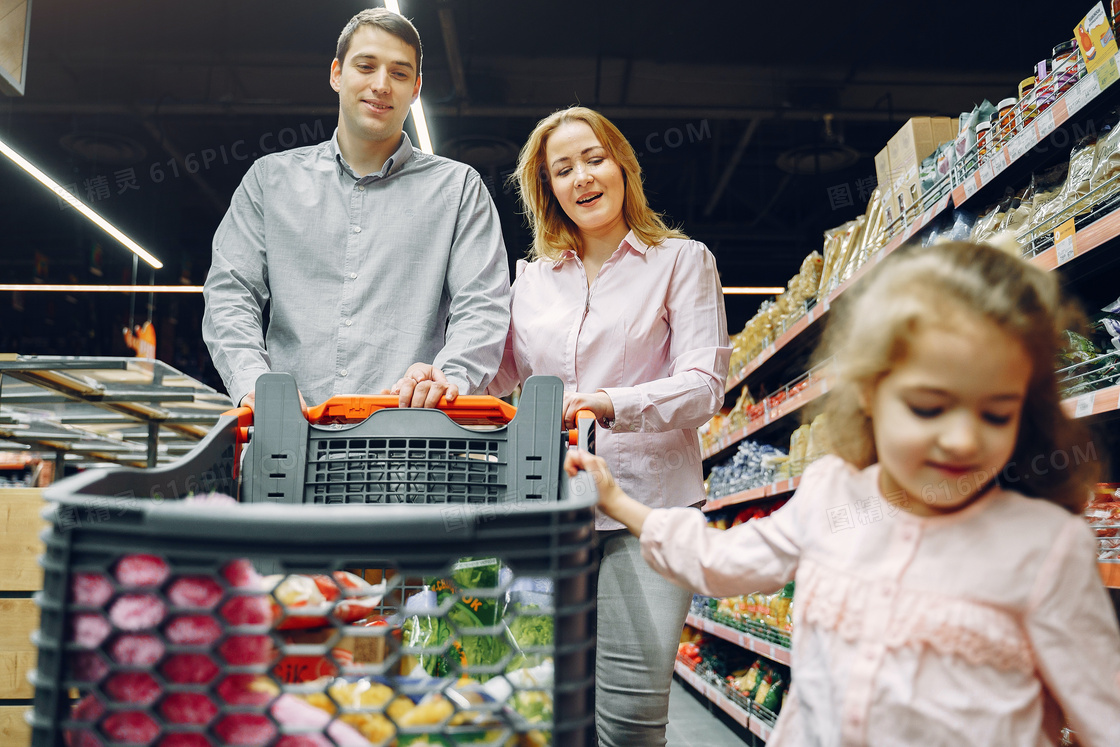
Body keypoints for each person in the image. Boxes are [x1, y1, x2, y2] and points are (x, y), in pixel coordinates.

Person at [567, 240, 1120, 746]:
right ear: (872, 394)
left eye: (997, 413)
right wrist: (618, 502)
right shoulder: (834, 493)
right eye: (928, 407)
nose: (962, 439)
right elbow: (726, 560)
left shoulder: (1045, 549)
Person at [480, 106, 731, 747]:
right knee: (542, 712)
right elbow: (493, 380)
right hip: (546, 516)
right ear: (549, 189)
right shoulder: (529, 281)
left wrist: (603, 403)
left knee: (631, 723)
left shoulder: (681, 261)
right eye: (562, 169)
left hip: (646, 514)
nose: (582, 177)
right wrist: (437, 375)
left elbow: (704, 385)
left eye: (594, 158)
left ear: (622, 165)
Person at [203, 8, 510, 412]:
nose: (381, 85)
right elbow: (231, 292)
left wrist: (448, 381)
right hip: (286, 443)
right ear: (336, 74)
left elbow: (483, 306)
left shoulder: (459, 189)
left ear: (415, 88)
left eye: (399, 74)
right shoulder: (269, 181)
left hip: (412, 446)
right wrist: (253, 384)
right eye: (366, 66)